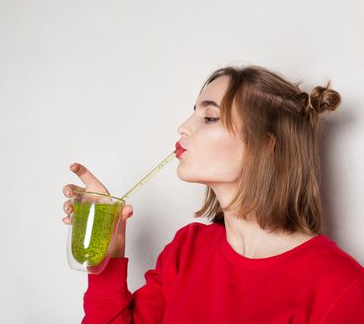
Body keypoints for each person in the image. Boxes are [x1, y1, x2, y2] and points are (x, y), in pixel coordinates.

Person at [61, 65, 364, 323]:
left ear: (265, 146)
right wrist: (108, 253)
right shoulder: (186, 250)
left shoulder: (342, 287)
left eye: (209, 118)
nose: (182, 127)